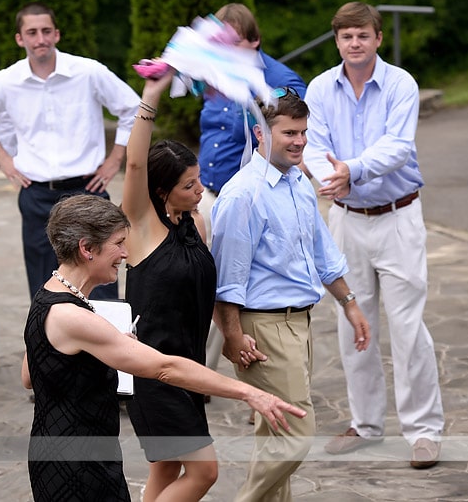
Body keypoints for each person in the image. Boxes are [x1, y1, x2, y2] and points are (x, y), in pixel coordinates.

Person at [21, 193, 305, 502]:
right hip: (78, 467)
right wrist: (250, 392)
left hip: (60, 452)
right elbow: (165, 368)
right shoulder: (73, 317)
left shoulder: (48, 297)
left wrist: (100, 349)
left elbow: (30, 375)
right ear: (87, 248)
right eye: (118, 243)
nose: (125, 253)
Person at [301, 1, 444, 468]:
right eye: (346, 37)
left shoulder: (401, 83)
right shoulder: (321, 87)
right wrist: (334, 179)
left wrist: (353, 170)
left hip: (398, 216)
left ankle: (423, 431)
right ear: (337, 41)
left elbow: (399, 147)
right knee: (352, 324)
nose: (355, 44)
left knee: (407, 327)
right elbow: (314, 146)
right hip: (344, 217)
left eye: (363, 35)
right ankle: (365, 424)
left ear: (378, 38)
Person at [211, 87, 370, 502]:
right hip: (263, 330)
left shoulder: (298, 182)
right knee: (297, 434)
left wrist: (350, 305)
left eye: (303, 132)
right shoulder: (243, 195)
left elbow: (323, 254)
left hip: (299, 322)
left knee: (275, 435)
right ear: (261, 133)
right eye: (289, 133)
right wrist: (231, 337)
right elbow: (226, 280)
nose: (299, 141)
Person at [0, 1, 139, 301]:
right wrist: (4, 161)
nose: (40, 39)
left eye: (46, 31)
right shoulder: (7, 81)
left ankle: (107, 345)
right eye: (32, 32)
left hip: (87, 191)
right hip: (36, 194)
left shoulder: (87, 72)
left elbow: (131, 107)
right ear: (20, 39)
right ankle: (49, 345)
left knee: (101, 280)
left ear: (57, 34)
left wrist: (115, 159)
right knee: (43, 282)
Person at [121, 69, 219, 499]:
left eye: (198, 180)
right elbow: (136, 162)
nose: (200, 189)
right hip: (155, 373)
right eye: (188, 184)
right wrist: (151, 95)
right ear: (161, 190)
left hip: (190, 367)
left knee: (166, 468)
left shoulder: (193, 221)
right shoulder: (141, 226)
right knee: (204, 472)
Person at [198, 3, 306, 386]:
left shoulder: (279, 80)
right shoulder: (216, 73)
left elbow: (283, 133)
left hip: (251, 201)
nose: (224, 51)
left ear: (255, 40)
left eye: (233, 43)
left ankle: (261, 375)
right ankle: (203, 377)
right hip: (207, 193)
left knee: (246, 288)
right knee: (205, 284)